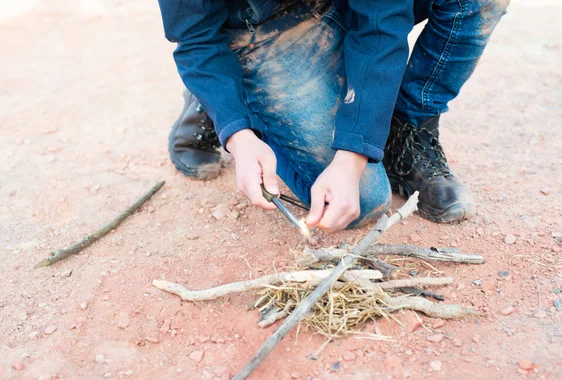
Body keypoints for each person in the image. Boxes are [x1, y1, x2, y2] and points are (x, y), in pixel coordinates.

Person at [159, 0, 510, 232]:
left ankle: (407, 131)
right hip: (259, 28)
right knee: (367, 202)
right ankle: (220, 96)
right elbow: (195, 37)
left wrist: (354, 153)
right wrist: (239, 133)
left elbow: (380, 21)